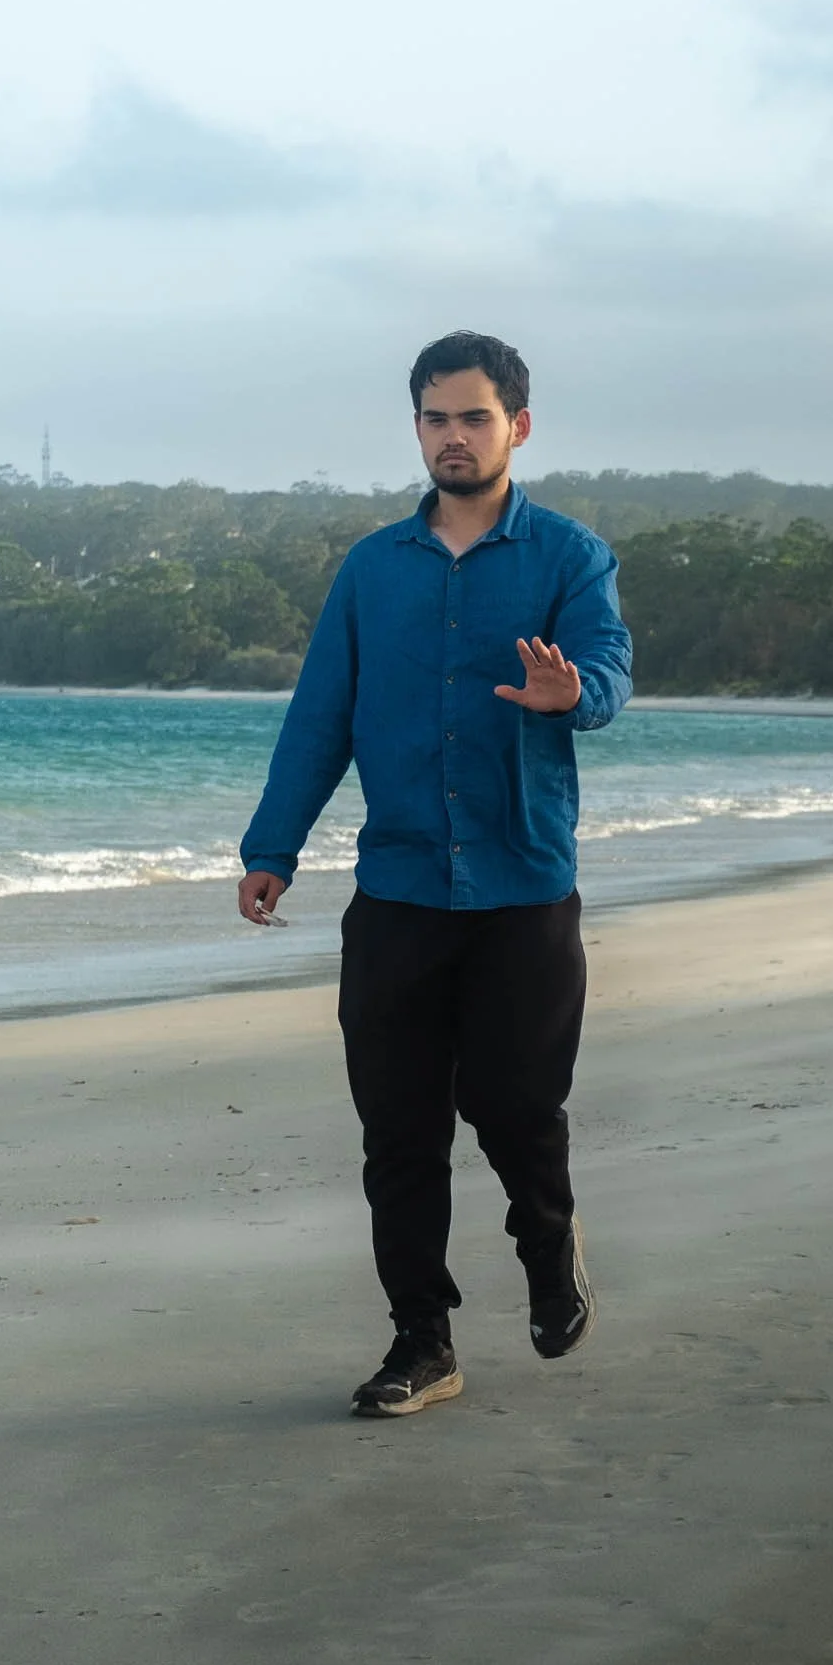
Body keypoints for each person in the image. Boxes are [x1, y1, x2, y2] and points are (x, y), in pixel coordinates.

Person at [237, 331, 633, 1416]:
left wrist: (573, 695)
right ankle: (423, 1340)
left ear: (517, 424)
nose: (451, 436)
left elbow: (607, 666)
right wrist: (272, 847)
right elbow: (319, 718)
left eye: (472, 416)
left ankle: (547, 1246)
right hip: (400, 892)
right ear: (415, 426)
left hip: (521, 889)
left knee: (513, 1107)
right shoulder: (372, 569)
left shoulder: (565, 556)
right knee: (398, 1132)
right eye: (433, 417)